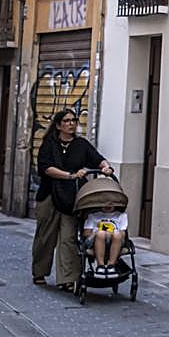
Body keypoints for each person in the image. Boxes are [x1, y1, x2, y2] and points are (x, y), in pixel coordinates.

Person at [31, 109, 112, 289]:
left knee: (68, 238)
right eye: (67, 121)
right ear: (58, 125)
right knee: (45, 237)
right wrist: (70, 175)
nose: (71, 124)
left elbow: (97, 159)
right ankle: (40, 272)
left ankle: (67, 279)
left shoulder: (81, 144)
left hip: (72, 197)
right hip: (49, 194)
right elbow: (45, 168)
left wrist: (106, 167)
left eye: (74, 120)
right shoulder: (49, 144)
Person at [83, 202, 128, 276]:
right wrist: (97, 232)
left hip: (115, 240)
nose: (107, 205)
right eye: (105, 202)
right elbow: (86, 234)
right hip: (95, 240)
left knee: (117, 234)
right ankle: (100, 265)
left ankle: (111, 265)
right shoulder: (93, 215)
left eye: (111, 203)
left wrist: (110, 234)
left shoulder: (121, 215)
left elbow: (123, 234)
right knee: (101, 233)